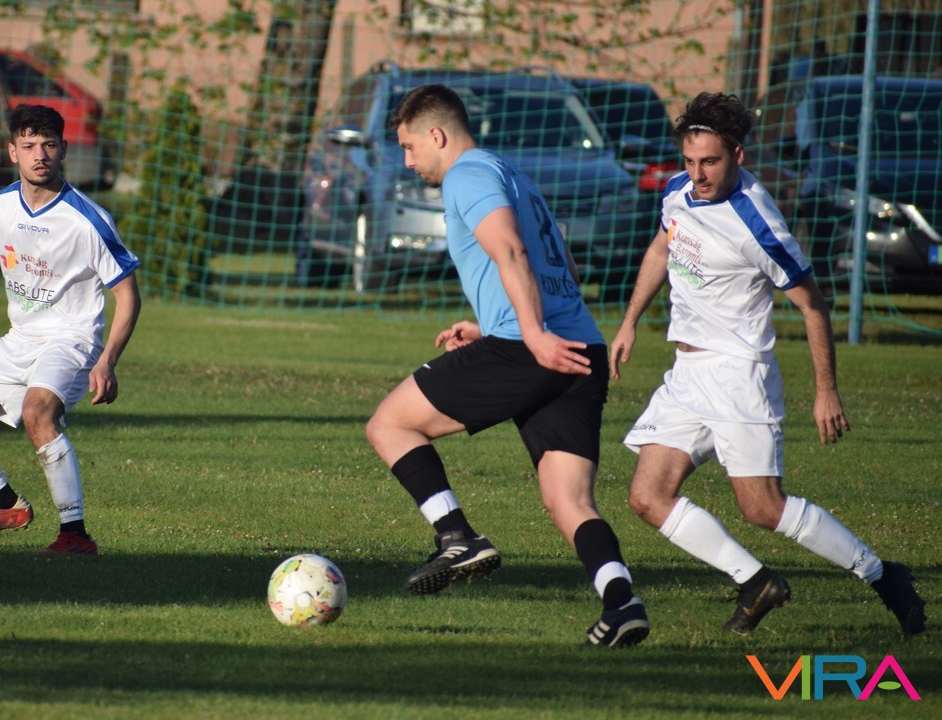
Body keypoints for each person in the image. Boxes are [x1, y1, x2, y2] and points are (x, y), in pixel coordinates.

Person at [609, 92, 926, 635]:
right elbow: (662, 248)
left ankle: (882, 574)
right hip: (687, 374)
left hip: (739, 375)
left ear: (738, 155)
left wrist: (825, 390)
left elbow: (813, 306)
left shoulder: (757, 221)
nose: (698, 174)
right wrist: (630, 321)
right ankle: (755, 582)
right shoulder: (677, 191)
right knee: (647, 496)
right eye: (690, 161)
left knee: (762, 508)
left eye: (710, 162)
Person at [365, 83, 649, 647]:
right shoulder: (511, 172)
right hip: (580, 350)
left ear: (436, 135)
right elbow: (560, 262)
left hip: (532, 348)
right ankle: (622, 603)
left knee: (389, 425)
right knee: (569, 501)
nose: (408, 161)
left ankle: (457, 537)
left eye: (408, 147)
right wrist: (494, 323)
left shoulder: (466, 176)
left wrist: (531, 334)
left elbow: (512, 251)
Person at [0, 104, 142, 556]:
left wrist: (107, 359)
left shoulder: (87, 220)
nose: (40, 154)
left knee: (39, 413)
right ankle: (3, 504)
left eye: (49, 145)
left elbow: (128, 294)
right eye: (30, 145)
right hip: (19, 340)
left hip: (71, 340)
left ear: (63, 150)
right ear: (12, 151)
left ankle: (74, 536)